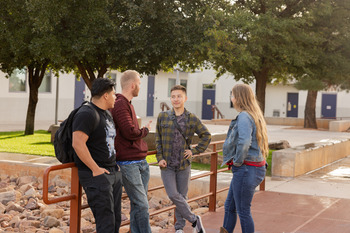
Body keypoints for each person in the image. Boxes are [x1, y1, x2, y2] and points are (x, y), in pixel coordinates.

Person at [155, 85, 211, 233]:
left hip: (183, 164)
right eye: (173, 96)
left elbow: (206, 135)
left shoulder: (191, 118)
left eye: (179, 96)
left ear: (185, 98)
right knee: (173, 194)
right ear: (170, 98)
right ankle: (194, 219)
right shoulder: (163, 116)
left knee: (182, 196)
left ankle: (179, 228)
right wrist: (159, 157)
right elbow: (158, 138)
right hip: (167, 165)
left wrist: (195, 150)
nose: (176, 99)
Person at [72, 78, 122, 233]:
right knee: (106, 223)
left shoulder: (106, 114)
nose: (116, 97)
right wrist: (95, 169)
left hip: (112, 171)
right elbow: (77, 143)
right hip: (97, 175)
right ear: (106, 95)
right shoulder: (86, 113)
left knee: (115, 221)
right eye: (114, 94)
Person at [220, 84, 268, 233]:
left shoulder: (244, 117)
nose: (231, 98)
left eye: (232, 95)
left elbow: (244, 142)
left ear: (238, 98)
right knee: (229, 207)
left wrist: (237, 162)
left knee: (243, 211)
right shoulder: (253, 114)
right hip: (252, 168)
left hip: (246, 168)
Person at [111, 70, 152, 233]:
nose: (140, 87)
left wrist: (140, 131)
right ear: (133, 85)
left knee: (138, 205)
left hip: (140, 162)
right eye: (140, 84)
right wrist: (145, 131)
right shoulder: (120, 104)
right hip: (129, 164)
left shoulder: (128, 104)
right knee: (142, 204)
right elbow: (129, 131)